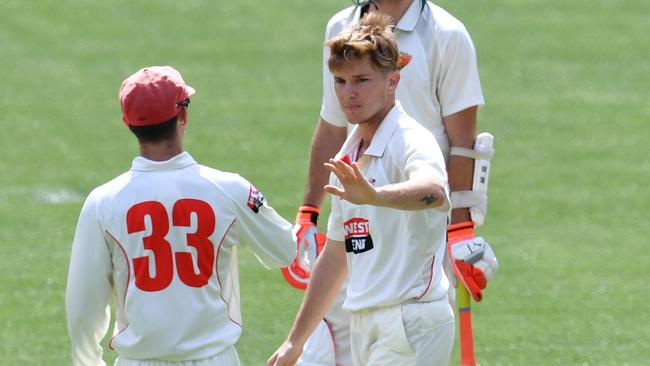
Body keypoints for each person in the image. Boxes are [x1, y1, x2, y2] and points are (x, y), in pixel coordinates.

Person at [282, 1, 497, 364]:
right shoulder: (350, 159)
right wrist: (309, 212)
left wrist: (461, 230)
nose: (349, 92)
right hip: (369, 289)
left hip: (412, 293)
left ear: (393, 79)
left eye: (361, 80)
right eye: (341, 81)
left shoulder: (446, 37)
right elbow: (335, 253)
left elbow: (441, 175)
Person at [65, 65, 296, 366]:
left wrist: (88, 362)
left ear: (127, 123)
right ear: (183, 115)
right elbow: (286, 250)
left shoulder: (102, 203)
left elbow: (83, 306)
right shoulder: (229, 189)